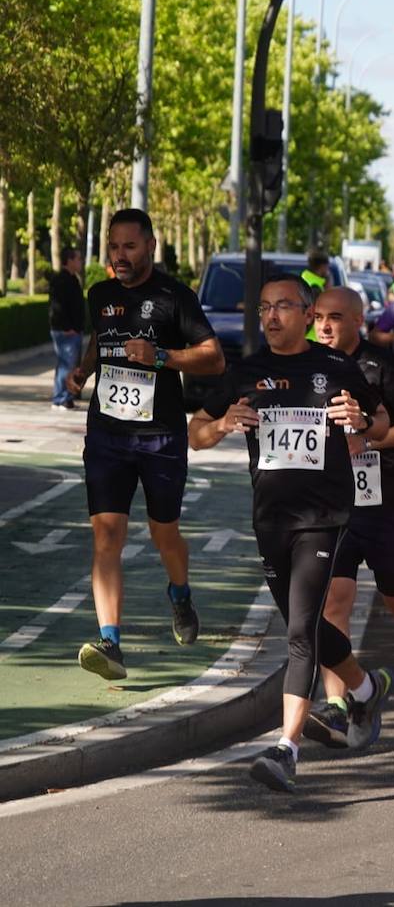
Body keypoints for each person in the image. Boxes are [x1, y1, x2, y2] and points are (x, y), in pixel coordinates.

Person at [189, 274, 393, 792]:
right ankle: (366, 688)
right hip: (271, 519)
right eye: (264, 307)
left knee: (300, 633)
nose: (272, 316)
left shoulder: (336, 367)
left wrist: (362, 422)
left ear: (306, 314)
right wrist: (222, 425)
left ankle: (287, 748)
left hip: (324, 517)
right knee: (308, 627)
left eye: (283, 306)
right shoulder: (247, 372)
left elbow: (383, 422)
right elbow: (197, 434)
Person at [66, 209, 225, 681]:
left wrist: (161, 356)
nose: (120, 256)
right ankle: (110, 641)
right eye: (114, 246)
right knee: (106, 535)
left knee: (164, 535)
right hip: (108, 434)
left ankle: (180, 594)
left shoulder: (174, 296)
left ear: (151, 246)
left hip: (160, 437)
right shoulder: (101, 293)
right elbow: (101, 338)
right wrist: (85, 370)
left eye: (129, 247)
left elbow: (214, 358)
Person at [302, 288, 394, 751]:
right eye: (318, 316)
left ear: (359, 321)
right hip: (332, 506)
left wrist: (374, 442)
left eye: (335, 317)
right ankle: (339, 706)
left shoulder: (382, 366)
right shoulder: (303, 365)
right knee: (333, 601)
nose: (324, 326)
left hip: (387, 502)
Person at [49, 246, 86, 412]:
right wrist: (67, 328)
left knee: (66, 364)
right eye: (78, 258)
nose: (80, 262)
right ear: (69, 260)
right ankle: (61, 398)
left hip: (73, 330)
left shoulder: (73, 279)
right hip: (66, 331)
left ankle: (64, 397)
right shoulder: (61, 280)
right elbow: (57, 308)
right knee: (67, 365)